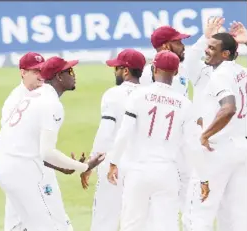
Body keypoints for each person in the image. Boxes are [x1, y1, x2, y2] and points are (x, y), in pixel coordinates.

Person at [0, 56, 105, 231]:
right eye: (69, 71)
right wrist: (83, 167)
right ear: (59, 77)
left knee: (30, 225)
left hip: (7, 165)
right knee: (52, 225)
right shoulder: (50, 103)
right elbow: (46, 152)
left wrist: (66, 166)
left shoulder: (33, 96)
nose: (74, 75)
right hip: (23, 169)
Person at [107, 50, 209, 231]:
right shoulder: (184, 103)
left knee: (131, 225)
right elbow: (193, 145)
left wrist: (113, 161)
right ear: (176, 73)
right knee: (166, 226)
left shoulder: (138, 96)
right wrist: (203, 178)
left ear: (153, 69)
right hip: (167, 171)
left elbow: (124, 132)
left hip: (137, 169)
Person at [140, 18, 226, 213]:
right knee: (159, 207)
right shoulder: (147, 76)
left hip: (185, 145)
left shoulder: (181, 69)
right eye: (178, 42)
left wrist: (207, 37)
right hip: (159, 149)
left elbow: (195, 54)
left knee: (190, 203)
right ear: (165, 46)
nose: (182, 45)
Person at [1, 52, 79, 231]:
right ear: (22, 73)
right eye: (35, 71)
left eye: (41, 70)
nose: (40, 75)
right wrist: (64, 166)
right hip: (27, 171)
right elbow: (24, 148)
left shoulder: (41, 96)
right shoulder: (14, 102)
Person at [183, 32, 247, 231]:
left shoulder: (220, 74)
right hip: (240, 147)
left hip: (216, 150)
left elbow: (228, 108)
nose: (207, 51)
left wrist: (205, 134)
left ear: (226, 54)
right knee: (235, 217)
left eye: (212, 48)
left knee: (197, 216)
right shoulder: (242, 71)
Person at [80, 49, 146, 231]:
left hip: (114, 164)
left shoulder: (113, 94)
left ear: (125, 71)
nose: (114, 72)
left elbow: (106, 133)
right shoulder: (149, 95)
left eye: (116, 68)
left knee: (104, 220)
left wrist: (90, 164)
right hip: (143, 166)